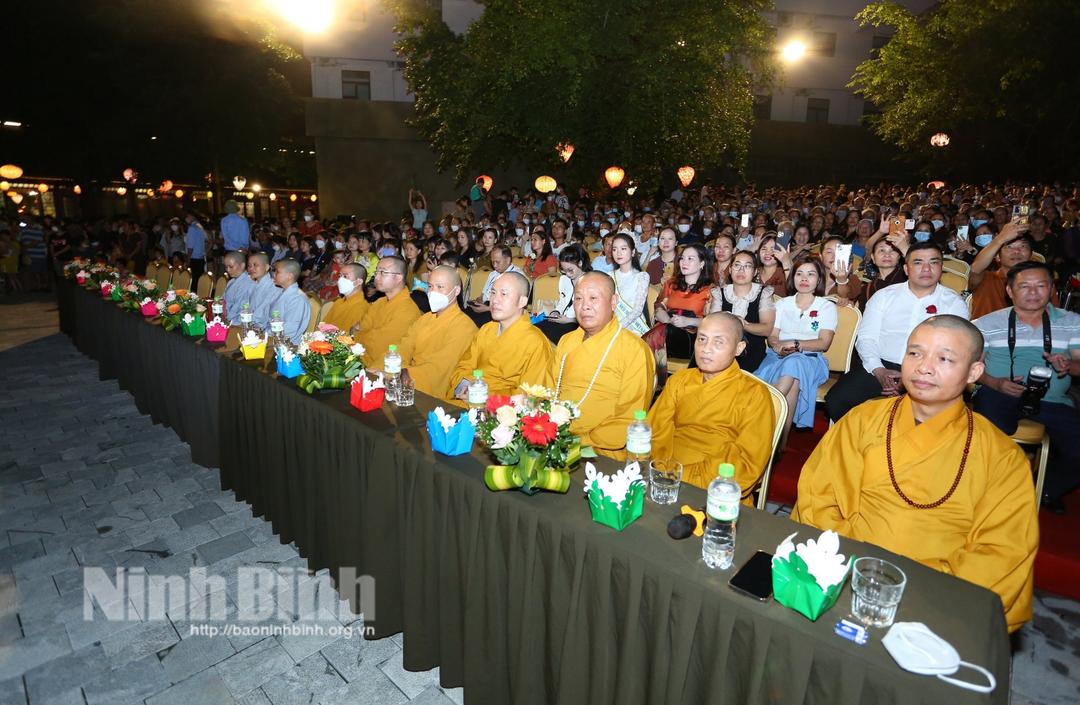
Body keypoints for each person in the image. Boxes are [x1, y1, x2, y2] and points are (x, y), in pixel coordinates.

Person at [793, 316, 1038, 633]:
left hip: (938, 604)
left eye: (945, 358)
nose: (924, 367)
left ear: (974, 372)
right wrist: (846, 568)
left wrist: (930, 600)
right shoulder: (863, 420)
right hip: (847, 576)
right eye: (915, 353)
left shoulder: (1002, 458)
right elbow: (818, 498)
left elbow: (1002, 555)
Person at [973, 261, 1080, 513]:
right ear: (1010, 291)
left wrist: (1068, 367)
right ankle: (990, 488)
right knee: (988, 424)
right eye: (1024, 286)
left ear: (1051, 288)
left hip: (1053, 400)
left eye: (1041, 285)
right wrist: (995, 382)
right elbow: (971, 369)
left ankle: (1043, 487)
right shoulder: (986, 323)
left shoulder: (1072, 321)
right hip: (999, 395)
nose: (1033, 292)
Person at [825, 241, 968, 423]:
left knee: (925, 417)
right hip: (882, 365)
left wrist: (911, 376)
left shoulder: (953, 303)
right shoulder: (884, 296)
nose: (926, 268)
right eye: (917, 263)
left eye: (933, 262)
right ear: (906, 269)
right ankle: (868, 443)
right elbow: (867, 338)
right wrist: (878, 370)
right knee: (837, 400)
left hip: (928, 369)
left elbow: (952, 348)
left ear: (941, 267)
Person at [648, 312, 776, 494]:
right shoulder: (680, 380)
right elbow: (655, 431)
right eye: (702, 339)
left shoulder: (754, 394)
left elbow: (747, 462)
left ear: (739, 348)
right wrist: (661, 471)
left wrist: (684, 476)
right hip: (664, 478)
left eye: (718, 342)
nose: (706, 349)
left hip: (715, 490)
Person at [550, 272, 655, 458]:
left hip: (600, 451)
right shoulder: (566, 341)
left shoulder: (635, 350)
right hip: (555, 437)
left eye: (593, 298)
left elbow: (628, 418)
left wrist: (578, 442)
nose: (585, 306)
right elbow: (549, 390)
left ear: (613, 302)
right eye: (579, 298)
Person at [755, 257, 837, 446]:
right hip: (778, 357)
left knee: (795, 362)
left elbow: (824, 343)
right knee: (793, 376)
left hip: (811, 360)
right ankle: (780, 442)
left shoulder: (826, 307)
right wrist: (776, 346)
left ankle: (760, 413)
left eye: (811, 274)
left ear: (819, 279)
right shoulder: (783, 304)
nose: (804, 279)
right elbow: (772, 336)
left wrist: (797, 345)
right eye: (799, 273)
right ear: (793, 277)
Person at [449, 271, 554, 403]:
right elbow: (464, 365)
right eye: (493, 293)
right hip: (467, 399)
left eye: (503, 294)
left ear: (522, 301)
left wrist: (485, 397)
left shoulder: (535, 342)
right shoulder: (486, 330)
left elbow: (531, 395)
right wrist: (465, 385)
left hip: (499, 413)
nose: (494, 300)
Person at [393, 266, 478, 398]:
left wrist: (406, 374)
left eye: (440, 287)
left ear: (456, 291)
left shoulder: (465, 327)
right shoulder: (425, 318)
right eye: (430, 286)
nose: (433, 292)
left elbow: (440, 368)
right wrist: (390, 368)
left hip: (426, 385)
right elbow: (404, 346)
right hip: (406, 375)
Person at [648, 243, 713, 374]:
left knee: (658, 336)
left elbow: (713, 321)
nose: (684, 262)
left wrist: (688, 321)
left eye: (690, 259)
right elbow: (659, 304)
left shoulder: (709, 290)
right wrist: (664, 316)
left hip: (692, 335)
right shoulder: (671, 284)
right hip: (666, 329)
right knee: (665, 331)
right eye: (682, 258)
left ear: (702, 263)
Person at [708, 250, 776, 373]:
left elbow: (767, 329)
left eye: (747, 266)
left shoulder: (763, 293)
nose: (741, 270)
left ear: (755, 272)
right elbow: (712, 324)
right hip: (721, 348)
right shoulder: (720, 293)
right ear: (730, 269)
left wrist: (744, 324)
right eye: (737, 265)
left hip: (752, 349)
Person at [969, 219, 1047, 319]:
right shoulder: (986, 279)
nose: (1016, 251)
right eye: (1009, 247)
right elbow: (976, 268)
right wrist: (1000, 239)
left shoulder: (1041, 284)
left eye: (1023, 246)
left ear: (1031, 255)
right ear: (997, 256)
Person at [354, 256, 422, 369]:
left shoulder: (407, 310)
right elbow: (363, 327)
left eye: (383, 272)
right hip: (359, 358)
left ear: (398, 277)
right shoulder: (379, 302)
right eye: (376, 272)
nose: (376, 277)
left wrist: (357, 334)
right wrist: (361, 334)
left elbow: (380, 346)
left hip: (380, 369)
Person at [536, 244, 591, 343]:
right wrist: (555, 312)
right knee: (534, 330)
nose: (567, 274)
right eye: (564, 270)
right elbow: (562, 302)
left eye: (570, 270)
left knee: (545, 337)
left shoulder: (591, 282)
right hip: (562, 320)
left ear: (580, 263)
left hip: (578, 324)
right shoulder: (564, 279)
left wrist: (570, 320)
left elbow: (591, 316)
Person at [465, 245, 524, 326]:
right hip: (486, 307)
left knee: (472, 323)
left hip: (499, 312)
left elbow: (513, 305)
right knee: (463, 316)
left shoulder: (517, 276)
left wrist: (487, 308)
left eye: (497, 262)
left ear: (508, 260)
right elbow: (482, 296)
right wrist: (478, 302)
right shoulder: (493, 274)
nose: (495, 265)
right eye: (493, 262)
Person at [610, 233, 650, 335]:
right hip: (612, 324)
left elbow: (637, 310)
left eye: (623, 249)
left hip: (633, 328)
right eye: (614, 249)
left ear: (633, 252)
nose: (618, 253)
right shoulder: (609, 276)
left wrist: (617, 327)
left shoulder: (642, 276)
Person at [267, 259, 311, 344]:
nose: (273, 274)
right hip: (273, 338)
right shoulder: (281, 291)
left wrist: (265, 334)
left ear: (289, 276)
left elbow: (289, 331)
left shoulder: (298, 299)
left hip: (287, 346)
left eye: (277, 272)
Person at [320, 263, 369, 332]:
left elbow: (349, 337)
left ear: (358, 282)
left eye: (345, 276)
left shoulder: (362, 308)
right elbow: (323, 325)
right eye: (340, 276)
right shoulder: (339, 302)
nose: (340, 280)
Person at [245, 253, 278, 329]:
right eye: (249, 266)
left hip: (263, 328)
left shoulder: (272, 287)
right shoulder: (253, 284)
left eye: (255, 265)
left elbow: (261, 314)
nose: (251, 268)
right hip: (249, 323)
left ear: (266, 267)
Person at [221, 251, 253, 323]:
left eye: (231, 266)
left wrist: (225, 320)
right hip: (226, 317)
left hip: (237, 321)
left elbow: (238, 308)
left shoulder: (247, 283)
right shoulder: (231, 281)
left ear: (242, 265)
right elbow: (222, 300)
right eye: (226, 267)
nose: (228, 270)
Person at [184, 212, 207, 281]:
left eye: (188, 216)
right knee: (200, 279)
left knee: (194, 280)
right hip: (201, 257)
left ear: (192, 217)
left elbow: (190, 246)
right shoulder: (200, 226)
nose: (186, 218)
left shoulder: (192, 228)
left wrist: (188, 259)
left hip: (194, 258)